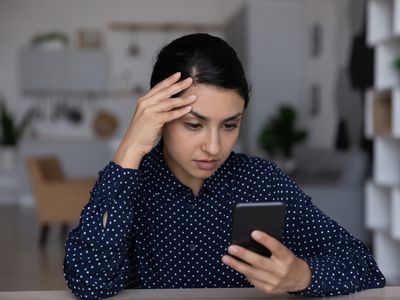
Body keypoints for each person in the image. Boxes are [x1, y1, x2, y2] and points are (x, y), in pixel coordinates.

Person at [63, 33, 385, 300]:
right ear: (159, 117)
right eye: (193, 125)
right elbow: (90, 283)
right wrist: (129, 149)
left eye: (230, 126)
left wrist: (302, 275)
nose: (214, 147)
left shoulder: (261, 181)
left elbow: (364, 267)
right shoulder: (129, 183)